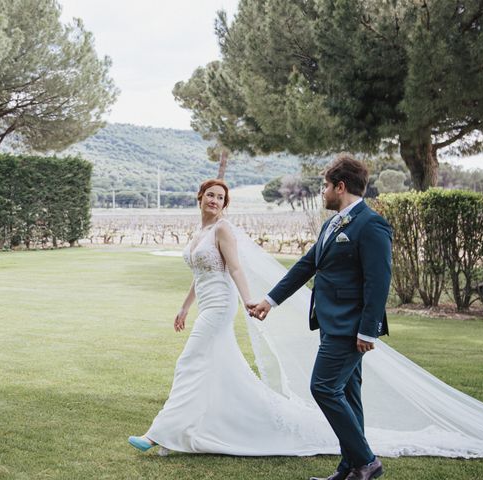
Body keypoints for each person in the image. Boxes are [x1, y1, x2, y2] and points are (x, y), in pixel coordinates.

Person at [127, 178, 338, 456]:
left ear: (224, 204)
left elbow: (236, 269)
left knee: (188, 362)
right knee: (212, 369)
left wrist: (249, 298)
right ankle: (184, 431)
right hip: (205, 305)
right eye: (210, 195)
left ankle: (157, 434)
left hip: (220, 306)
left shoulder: (222, 229)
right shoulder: (199, 232)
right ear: (199, 196)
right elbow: (199, 275)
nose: (214, 201)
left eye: (220, 198)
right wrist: (184, 307)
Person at [249, 153, 391, 480]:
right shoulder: (331, 224)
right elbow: (306, 265)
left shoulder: (371, 225)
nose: (322, 192)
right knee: (349, 394)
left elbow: (378, 280)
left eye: (325, 186)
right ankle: (351, 467)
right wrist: (271, 300)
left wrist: (368, 330)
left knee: (324, 388)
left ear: (340, 187)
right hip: (330, 323)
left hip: (351, 326)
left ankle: (368, 462)